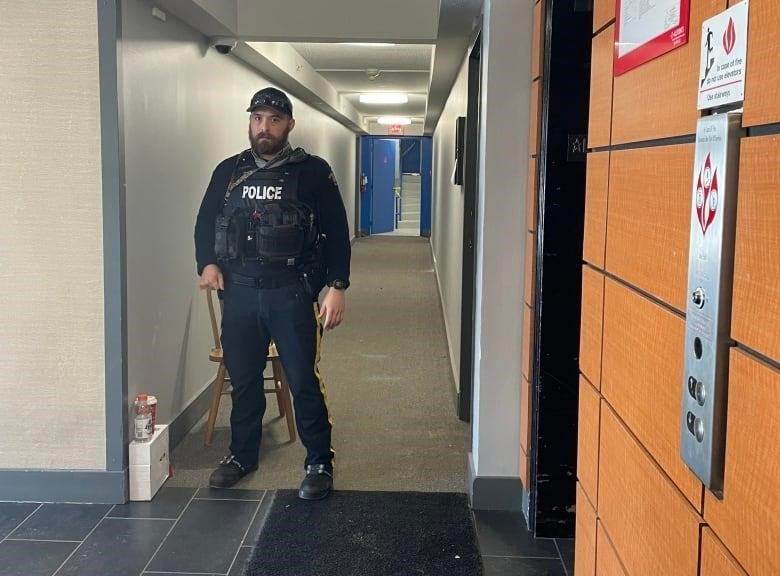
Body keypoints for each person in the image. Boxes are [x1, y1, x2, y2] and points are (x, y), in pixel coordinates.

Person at [194, 87, 351, 500]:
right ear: (250, 122)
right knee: (244, 380)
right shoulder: (228, 172)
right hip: (240, 296)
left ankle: (318, 460)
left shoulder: (313, 172)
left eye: (274, 119)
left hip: (292, 294)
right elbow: (205, 222)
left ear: (289, 125)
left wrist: (337, 286)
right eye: (258, 118)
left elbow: (337, 232)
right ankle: (242, 455)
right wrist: (207, 263)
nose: (264, 127)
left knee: (302, 380)